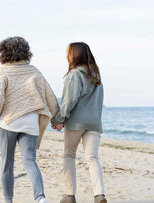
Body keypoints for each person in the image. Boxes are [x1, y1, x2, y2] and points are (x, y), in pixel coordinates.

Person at [0, 36, 59, 203]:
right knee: (30, 161)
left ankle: (8, 200)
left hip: (8, 123)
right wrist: (56, 118)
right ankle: (40, 198)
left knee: (7, 163)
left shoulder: (1, 71)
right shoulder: (34, 71)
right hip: (31, 123)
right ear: (26, 52)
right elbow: (50, 97)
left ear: (3, 52)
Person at [51, 42, 107, 203]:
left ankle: (70, 196)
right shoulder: (97, 77)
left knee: (69, 156)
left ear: (74, 55)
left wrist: (59, 120)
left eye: (68, 53)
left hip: (76, 123)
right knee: (93, 158)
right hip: (95, 123)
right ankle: (99, 195)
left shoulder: (75, 74)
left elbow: (69, 101)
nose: (66, 56)